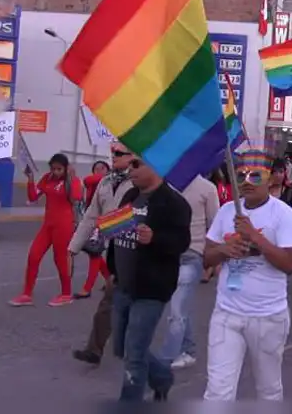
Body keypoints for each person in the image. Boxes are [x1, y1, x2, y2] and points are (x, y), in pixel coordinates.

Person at [203, 148, 292, 401]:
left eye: (255, 176)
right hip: (227, 314)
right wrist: (225, 250)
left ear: (270, 178)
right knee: (218, 391)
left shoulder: (283, 214)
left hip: (268, 316)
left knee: (268, 390)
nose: (246, 182)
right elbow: (206, 257)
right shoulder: (226, 211)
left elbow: (291, 264)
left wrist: (255, 237)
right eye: (241, 175)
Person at [107, 155, 191, 401]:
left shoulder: (174, 203)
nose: (129, 169)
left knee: (134, 353)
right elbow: (115, 235)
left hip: (152, 289)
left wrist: (154, 238)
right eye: (129, 165)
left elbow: (182, 243)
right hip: (123, 284)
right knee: (122, 347)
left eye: (136, 164)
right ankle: (162, 378)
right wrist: (111, 270)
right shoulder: (130, 197)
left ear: (156, 166)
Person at [69, 142, 135, 366]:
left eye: (119, 153)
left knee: (133, 306)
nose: (114, 157)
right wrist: (74, 246)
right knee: (109, 303)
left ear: (131, 157)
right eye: (113, 153)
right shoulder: (105, 182)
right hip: (115, 252)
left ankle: (134, 349)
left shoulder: (140, 181)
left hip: (138, 252)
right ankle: (94, 350)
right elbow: (90, 216)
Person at [161, 173, 219, 369]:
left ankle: (169, 356)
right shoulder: (166, 185)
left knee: (177, 311)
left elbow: (214, 224)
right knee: (181, 307)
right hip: (168, 253)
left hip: (192, 253)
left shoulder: (207, 188)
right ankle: (188, 349)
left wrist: (211, 258)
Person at [10, 154, 82, 307]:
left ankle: (66, 293)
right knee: (33, 255)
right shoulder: (47, 178)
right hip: (48, 225)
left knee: (60, 259)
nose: (56, 172)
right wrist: (30, 179)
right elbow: (33, 196)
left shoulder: (71, 181)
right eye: (53, 168)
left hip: (64, 225)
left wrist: (72, 178)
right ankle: (26, 294)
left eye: (59, 169)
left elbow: (77, 196)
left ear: (65, 168)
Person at [75, 160, 111, 300]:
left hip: (105, 220)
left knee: (94, 253)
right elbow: (87, 182)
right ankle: (110, 279)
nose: (99, 171)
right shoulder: (94, 183)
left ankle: (87, 288)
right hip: (93, 219)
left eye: (102, 168)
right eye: (96, 168)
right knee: (94, 252)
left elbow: (88, 179)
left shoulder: (108, 182)